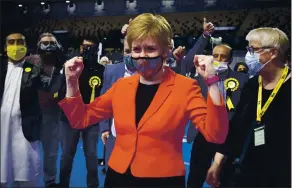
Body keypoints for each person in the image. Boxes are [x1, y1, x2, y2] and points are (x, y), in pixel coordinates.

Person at [59, 13, 228, 187]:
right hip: (117, 176)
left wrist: (212, 82)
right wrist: (72, 81)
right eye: (137, 49)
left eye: (150, 49)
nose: (142, 56)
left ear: (166, 50)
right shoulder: (121, 86)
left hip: (163, 180)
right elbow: (80, 118)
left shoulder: (186, 87)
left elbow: (216, 135)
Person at [208, 27, 291, 187]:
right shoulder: (253, 84)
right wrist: (218, 161)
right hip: (244, 170)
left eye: (253, 49)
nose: (248, 55)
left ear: (273, 53)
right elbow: (237, 125)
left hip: (279, 175)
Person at [0, 33, 60, 187]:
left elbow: (50, 86)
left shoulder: (34, 70)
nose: (16, 46)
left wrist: (53, 60)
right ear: (5, 48)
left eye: (20, 42)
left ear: (26, 47)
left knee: (26, 175)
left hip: (25, 132)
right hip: (2, 131)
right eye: (11, 42)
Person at [187, 44, 249, 188]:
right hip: (202, 134)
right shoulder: (199, 78)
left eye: (223, 56)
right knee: (195, 177)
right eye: (215, 56)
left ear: (230, 59)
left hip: (228, 135)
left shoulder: (242, 79)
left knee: (221, 179)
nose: (218, 59)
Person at [58, 37, 104, 188]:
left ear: (97, 49)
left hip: (91, 119)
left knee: (91, 155)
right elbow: (61, 91)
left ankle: (93, 185)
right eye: (85, 47)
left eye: (92, 47)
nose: (88, 49)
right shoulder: (70, 65)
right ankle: (63, 184)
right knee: (66, 155)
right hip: (69, 118)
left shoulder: (101, 69)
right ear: (80, 47)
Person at [25, 32, 64, 187]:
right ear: (39, 44)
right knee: (26, 151)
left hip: (52, 113)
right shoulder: (28, 61)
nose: (48, 46)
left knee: (51, 152)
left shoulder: (62, 63)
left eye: (51, 43)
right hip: (31, 113)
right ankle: (25, 180)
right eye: (45, 43)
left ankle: (50, 181)